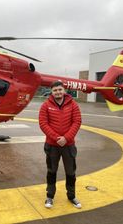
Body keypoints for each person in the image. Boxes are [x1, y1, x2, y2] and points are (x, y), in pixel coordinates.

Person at [39, 80, 82, 209]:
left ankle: (71, 196)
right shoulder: (45, 105)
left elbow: (77, 121)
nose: (58, 92)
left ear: (64, 91)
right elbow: (43, 123)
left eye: (60, 89)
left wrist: (66, 138)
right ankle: (50, 196)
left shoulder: (73, 105)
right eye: (55, 90)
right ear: (51, 92)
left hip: (68, 145)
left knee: (70, 172)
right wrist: (57, 138)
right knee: (51, 171)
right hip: (52, 145)